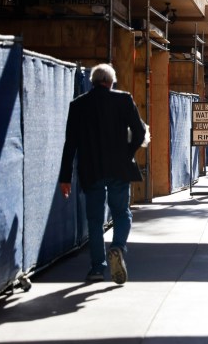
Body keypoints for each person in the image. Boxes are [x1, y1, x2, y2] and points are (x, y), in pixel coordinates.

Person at [59, 63, 146, 284]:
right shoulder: (123, 99)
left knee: (95, 220)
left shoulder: (78, 105)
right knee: (121, 212)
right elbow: (140, 131)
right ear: (111, 81)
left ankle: (97, 268)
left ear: (93, 81)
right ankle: (117, 247)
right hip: (119, 168)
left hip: (91, 169)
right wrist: (127, 153)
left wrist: (65, 177)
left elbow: (70, 144)